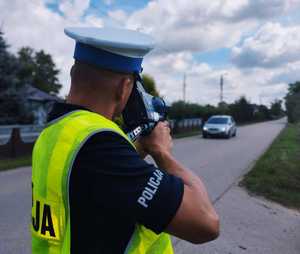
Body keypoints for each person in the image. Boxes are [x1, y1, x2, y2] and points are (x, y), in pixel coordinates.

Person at [31, 27, 219, 254]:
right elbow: (206, 223)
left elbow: (98, 182)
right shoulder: (99, 145)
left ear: (73, 73)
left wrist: (139, 149)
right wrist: (161, 152)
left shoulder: (55, 132)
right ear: (124, 87)